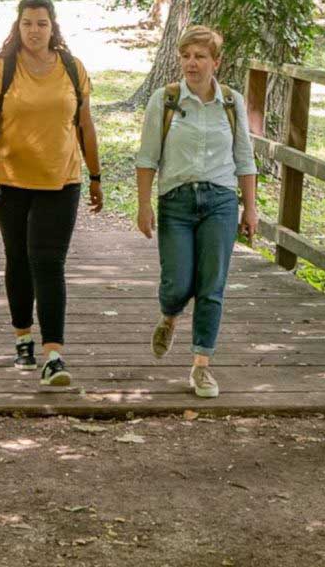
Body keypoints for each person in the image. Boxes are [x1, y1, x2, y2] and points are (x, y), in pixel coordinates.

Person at [0, 0, 103, 388]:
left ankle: (54, 356)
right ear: (18, 26)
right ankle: (22, 337)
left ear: (53, 27)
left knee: (48, 261)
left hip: (62, 180)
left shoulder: (71, 68)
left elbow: (86, 125)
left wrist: (96, 176)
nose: (34, 30)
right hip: (10, 180)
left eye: (41, 23)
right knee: (19, 258)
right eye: (27, 23)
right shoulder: (0, 70)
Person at [134, 25, 258, 399]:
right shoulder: (166, 99)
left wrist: (249, 208)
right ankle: (170, 315)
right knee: (178, 280)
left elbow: (245, 159)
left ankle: (202, 365)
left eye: (200, 56)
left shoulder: (232, 103)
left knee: (211, 284)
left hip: (220, 201)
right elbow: (146, 157)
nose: (191, 63)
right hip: (176, 201)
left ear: (215, 63)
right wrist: (143, 205)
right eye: (186, 55)